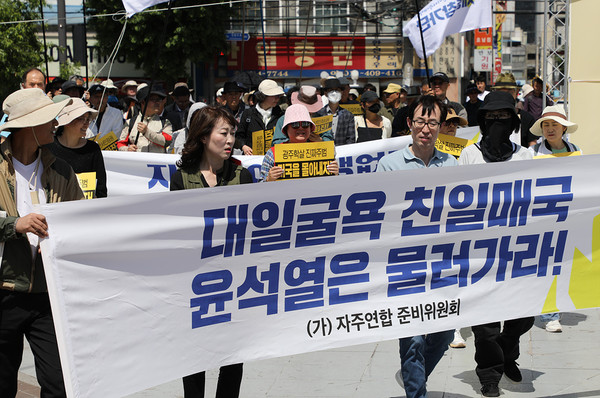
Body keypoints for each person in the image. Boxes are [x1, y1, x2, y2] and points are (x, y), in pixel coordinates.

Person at [0, 88, 84, 397]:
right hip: (4, 291)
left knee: (59, 385)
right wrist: (15, 225)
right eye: (48, 119)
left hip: (48, 296)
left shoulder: (62, 170)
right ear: (28, 126)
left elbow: (80, 222)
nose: (55, 123)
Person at [376, 95, 456, 398]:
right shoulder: (390, 164)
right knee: (412, 339)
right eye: (421, 121)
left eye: (433, 122)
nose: (426, 129)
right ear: (409, 124)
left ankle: (414, 377)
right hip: (403, 264)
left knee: (444, 333)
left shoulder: (451, 163)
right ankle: (416, 393)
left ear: (441, 127)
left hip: (441, 264)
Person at [458, 90, 534, 397]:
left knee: (524, 314)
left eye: (504, 118)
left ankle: (507, 353)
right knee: (485, 321)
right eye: (491, 118)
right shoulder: (469, 155)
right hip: (481, 250)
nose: (498, 123)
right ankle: (489, 374)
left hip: (519, 249)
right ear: (482, 122)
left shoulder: (526, 156)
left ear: (514, 123)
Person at [170, 106, 250, 398]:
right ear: (203, 137)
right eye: (223, 133)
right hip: (196, 283)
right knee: (194, 359)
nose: (230, 140)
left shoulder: (243, 176)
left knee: (233, 359)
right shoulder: (182, 178)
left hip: (236, 282)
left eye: (232, 134)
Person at [260, 104, 339, 182]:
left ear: (310, 128)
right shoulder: (273, 154)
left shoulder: (324, 152)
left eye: (305, 124)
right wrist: (268, 179)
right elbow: (260, 187)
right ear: (286, 129)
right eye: (295, 125)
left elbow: (335, 185)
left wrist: (335, 175)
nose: (301, 128)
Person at [50, 98, 107, 198]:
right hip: (56, 208)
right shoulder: (49, 147)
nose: (86, 123)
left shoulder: (93, 149)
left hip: (86, 210)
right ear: (68, 122)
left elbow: (101, 189)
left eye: (88, 119)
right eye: (82, 119)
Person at [236, 79, 284, 155]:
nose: (277, 99)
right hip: (251, 159)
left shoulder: (280, 115)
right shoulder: (248, 113)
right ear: (263, 96)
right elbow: (239, 136)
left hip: (274, 157)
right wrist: (243, 146)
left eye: (278, 96)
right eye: (274, 96)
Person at [118, 87, 173, 153]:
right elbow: (120, 144)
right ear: (143, 102)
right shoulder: (130, 122)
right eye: (154, 100)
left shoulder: (165, 122)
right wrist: (127, 149)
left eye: (159, 100)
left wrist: (147, 132)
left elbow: (168, 141)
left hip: (156, 162)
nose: (158, 103)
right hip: (137, 161)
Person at [492, 72, 537, 148]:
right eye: (501, 93)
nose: (505, 97)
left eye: (509, 93)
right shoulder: (486, 117)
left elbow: (533, 147)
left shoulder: (527, 119)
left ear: (516, 93)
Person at [315, 79, 355, 146]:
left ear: (341, 92)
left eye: (337, 90)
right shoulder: (318, 114)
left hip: (343, 153)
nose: (334, 93)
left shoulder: (348, 115)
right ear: (325, 93)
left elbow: (351, 139)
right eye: (331, 90)